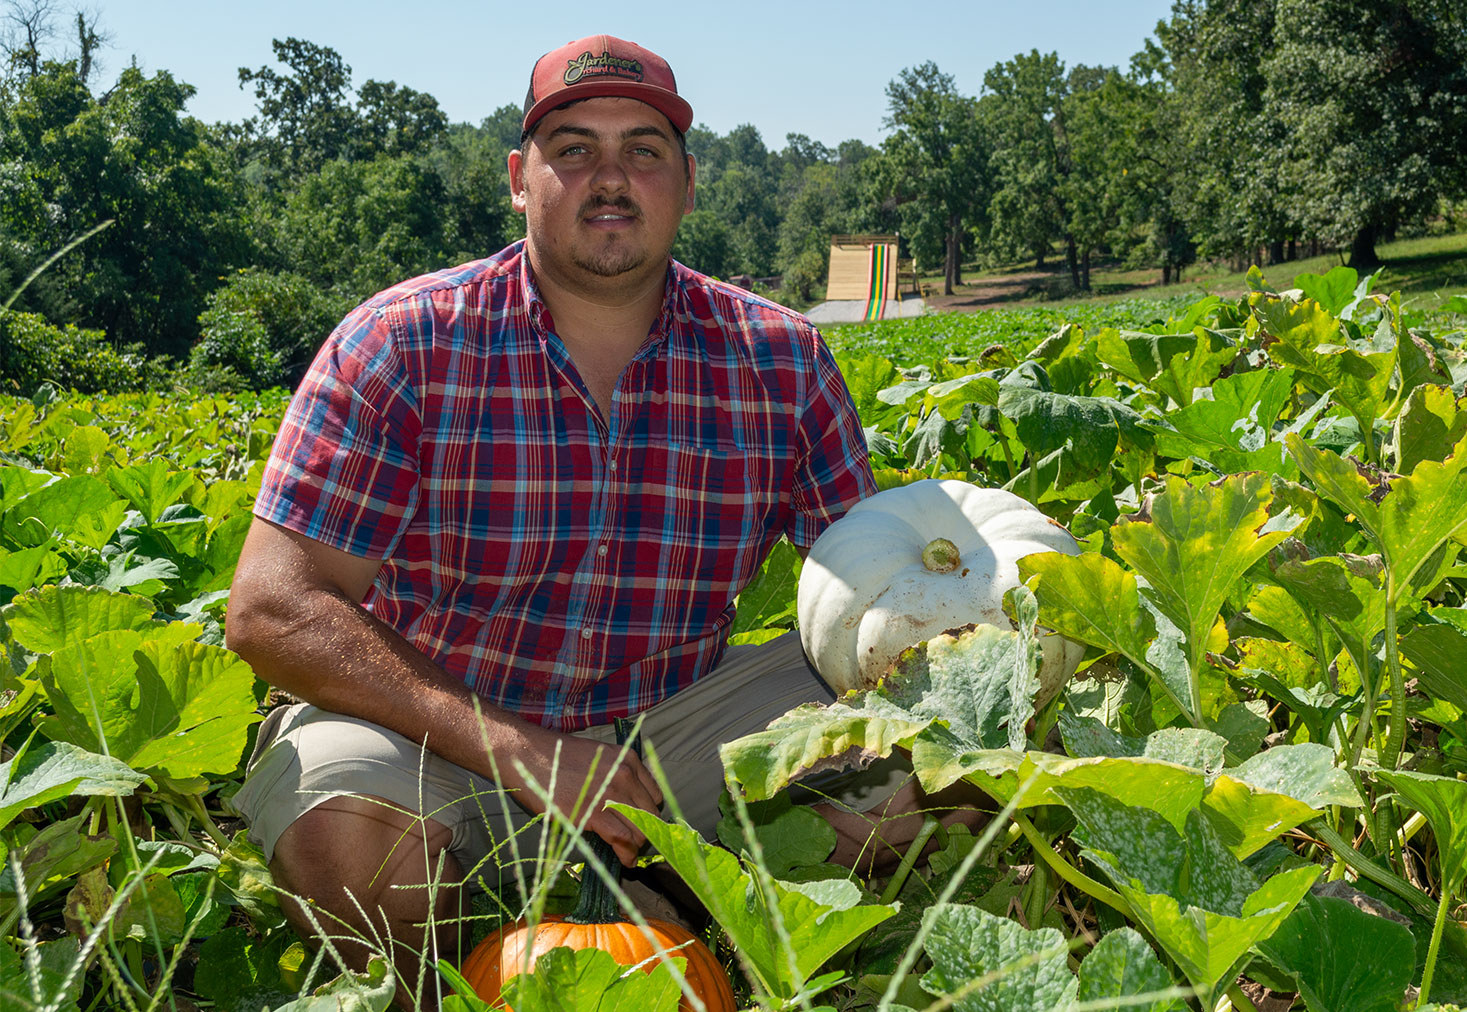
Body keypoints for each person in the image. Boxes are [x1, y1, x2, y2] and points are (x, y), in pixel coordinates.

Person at [225, 33, 943, 1002]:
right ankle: (445, 983)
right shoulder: (403, 343)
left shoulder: (779, 360)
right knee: (345, 832)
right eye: (574, 149)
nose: (611, 177)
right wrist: (514, 744)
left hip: (672, 731)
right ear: (521, 179)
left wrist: (984, 603)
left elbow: (868, 580)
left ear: (687, 184)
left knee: (933, 765)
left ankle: (661, 906)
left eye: (643, 150)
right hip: (438, 739)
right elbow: (270, 608)